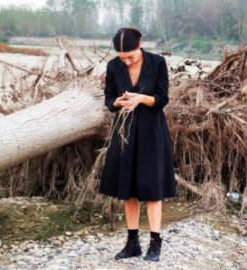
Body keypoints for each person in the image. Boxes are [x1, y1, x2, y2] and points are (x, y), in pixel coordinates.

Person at [98, 27, 176, 262]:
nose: (127, 61)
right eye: (123, 58)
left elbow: (162, 98)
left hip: (152, 130)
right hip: (125, 130)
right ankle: (132, 243)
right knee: (127, 188)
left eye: (130, 56)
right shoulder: (113, 66)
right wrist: (118, 102)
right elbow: (108, 99)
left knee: (153, 190)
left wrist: (141, 98)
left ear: (140, 44)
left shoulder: (157, 62)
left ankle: (155, 243)